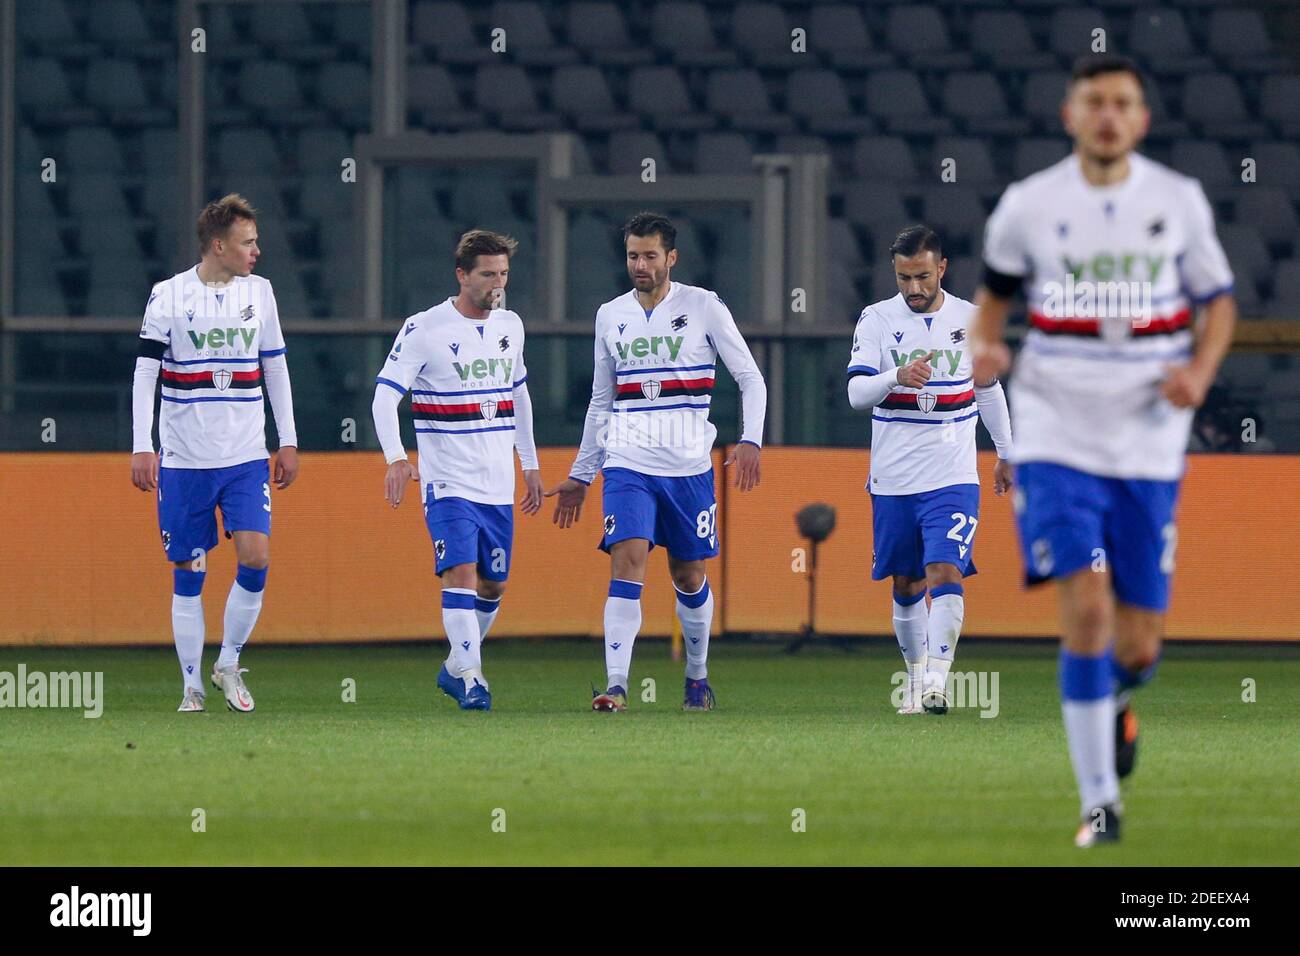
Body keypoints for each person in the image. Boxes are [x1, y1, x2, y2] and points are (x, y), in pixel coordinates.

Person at [131, 193, 299, 713]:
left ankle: (227, 662)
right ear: (219, 245)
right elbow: (146, 372)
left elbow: (274, 366)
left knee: (256, 555)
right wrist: (143, 444)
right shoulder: (169, 296)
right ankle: (191, 687)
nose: (257, 251)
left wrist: (287, 438)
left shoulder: (262, 294)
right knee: (190, 572)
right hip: (184, 459)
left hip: (246, 455)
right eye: (248, 242)